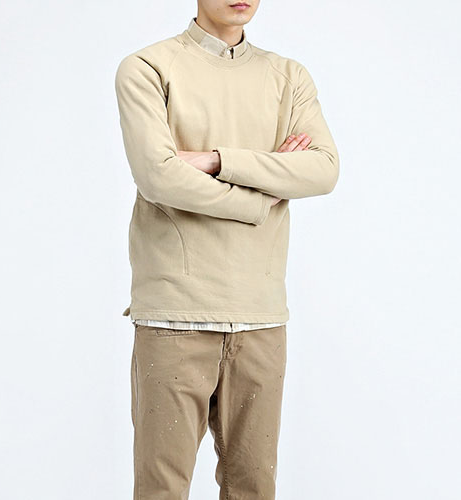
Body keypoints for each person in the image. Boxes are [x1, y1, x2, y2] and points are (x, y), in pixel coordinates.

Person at [114, 1, 339, 498]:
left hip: (261, 315)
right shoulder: (148, 67)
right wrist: (263, 195)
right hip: (175, 313)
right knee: (161, 489)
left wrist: (216, 160)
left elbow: (323, 169)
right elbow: (158, 176)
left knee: (254, 487)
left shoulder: (288, 77)